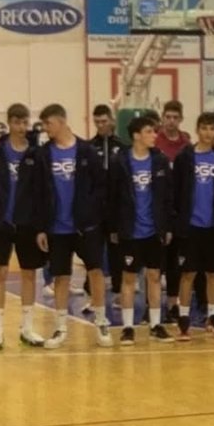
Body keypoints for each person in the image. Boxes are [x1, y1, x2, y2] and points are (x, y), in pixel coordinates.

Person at [31, 104, 111, 349]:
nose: (46, 128)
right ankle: (61, 327)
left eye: (48, 123)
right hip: (57, 228)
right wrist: (41, 227)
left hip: (85, 226)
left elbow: (101, 186)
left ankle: (101, 321)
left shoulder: (86, 151)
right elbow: (38, 193)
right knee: (61, 276)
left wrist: (92, 214)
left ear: (61, 121)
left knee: (95, 271)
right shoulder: (44, 154)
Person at [0, 103, 46, 350]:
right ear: (9, 123)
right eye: (17, 122)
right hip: (1, 223)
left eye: (25, 122)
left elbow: (43, 191)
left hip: (27, 224)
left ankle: (27, 328)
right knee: (0, 272)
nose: (21, 127)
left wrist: (40, 223)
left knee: (29, 273)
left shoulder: (36, 154)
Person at [109, 117, 174, 345]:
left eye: (154, 131)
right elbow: (112, 197)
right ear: (136, 135)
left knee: (154, 276)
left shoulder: (160, 160)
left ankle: (156, 325)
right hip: (130, 230)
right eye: (149, 131)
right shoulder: (120, 161)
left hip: (153, 230)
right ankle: (128, 327)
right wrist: (114, 227)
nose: (154, 135)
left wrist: (167, 226)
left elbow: (168, 196)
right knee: (128, 278)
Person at [174, 113, 214, 340]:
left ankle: (213, 319)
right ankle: (183, 321)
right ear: (197, 130)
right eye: (204, 128)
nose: (208, 133)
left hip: (213, 226)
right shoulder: (184, 158)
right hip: (191, 225)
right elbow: (176, 191)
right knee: (188, 273)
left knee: (213, 274)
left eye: (212, 128)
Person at [155, 100, 190, 323]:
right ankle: (151, 305)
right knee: (156, 262)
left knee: (175, 263)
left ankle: (172, 305)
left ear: (181, 119)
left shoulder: (186, 145)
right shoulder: (154, 142)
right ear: (162, 118)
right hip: (158, 209)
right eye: (167, 117)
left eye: (175, 117)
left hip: (179, 209)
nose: (171, 121)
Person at [90, 104, 126, 307]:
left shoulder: (122, 146)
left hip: (116, 209)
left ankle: (119, 291)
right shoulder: (89, 147)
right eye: (97, 122)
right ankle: (93, 296)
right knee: (93, 252)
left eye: (104, 121)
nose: (101, 125)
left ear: (111, 121)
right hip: (96, 209)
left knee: (116, 251)